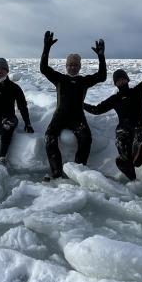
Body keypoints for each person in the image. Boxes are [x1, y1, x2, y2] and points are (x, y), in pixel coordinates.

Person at [84, 39, 142, 180]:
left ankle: (140, 153)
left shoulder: (137, 91)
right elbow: (97, 109)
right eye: (118, 80)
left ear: (127, 79)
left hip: (139, 124)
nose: (121, 81)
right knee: (121, 139)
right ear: (115, 83)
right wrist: (81, 104)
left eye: (122, 79)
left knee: (141, 137)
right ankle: (126, 162)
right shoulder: (115, 99)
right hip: (124, 128)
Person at [40, 30, 106, 180]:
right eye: (70, 65)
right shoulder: (59, 79)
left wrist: (101, 57)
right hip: (60, 116)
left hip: (77, 118)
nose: (72, 67)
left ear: (80, 67)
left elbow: (102, 76)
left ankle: (77, 170)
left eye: (75, 65)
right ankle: (56, 173)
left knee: (86, 138)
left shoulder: (83, 81)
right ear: (66, 66)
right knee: (49, 138)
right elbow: (44, 69)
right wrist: (46, 47)